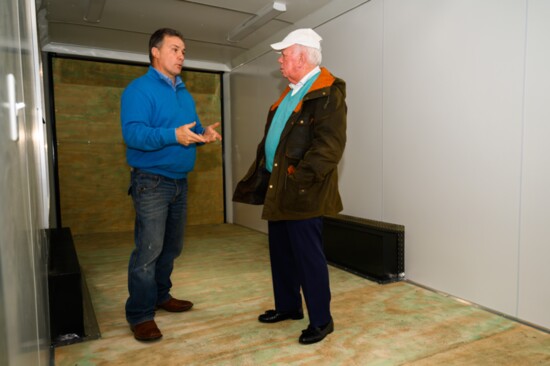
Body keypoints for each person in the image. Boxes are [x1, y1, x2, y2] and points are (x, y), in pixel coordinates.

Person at [233, 28, 347, 344]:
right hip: (278, 188)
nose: (280, 59)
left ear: (301, 56)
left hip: (302, 191)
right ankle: (288, 307)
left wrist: (298, 181)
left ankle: (322, 321)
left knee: (308, 259)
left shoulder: (327, 93)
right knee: (281, 253)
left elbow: (328, 148)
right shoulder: (292, 92)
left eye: (284, 54)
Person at [120, 27, 221, 341]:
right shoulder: (139, 90)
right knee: (148, 251)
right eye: (175, 49)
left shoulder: (183, 92)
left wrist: (203, 135)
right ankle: (140, 314)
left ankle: (161, 295)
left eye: (183, 51)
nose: (181, 56)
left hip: (180, 182)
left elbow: (186, 128)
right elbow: (134, 134)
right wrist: (172, 135)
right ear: (155, 51)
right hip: (151, 182)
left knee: (171, 247)